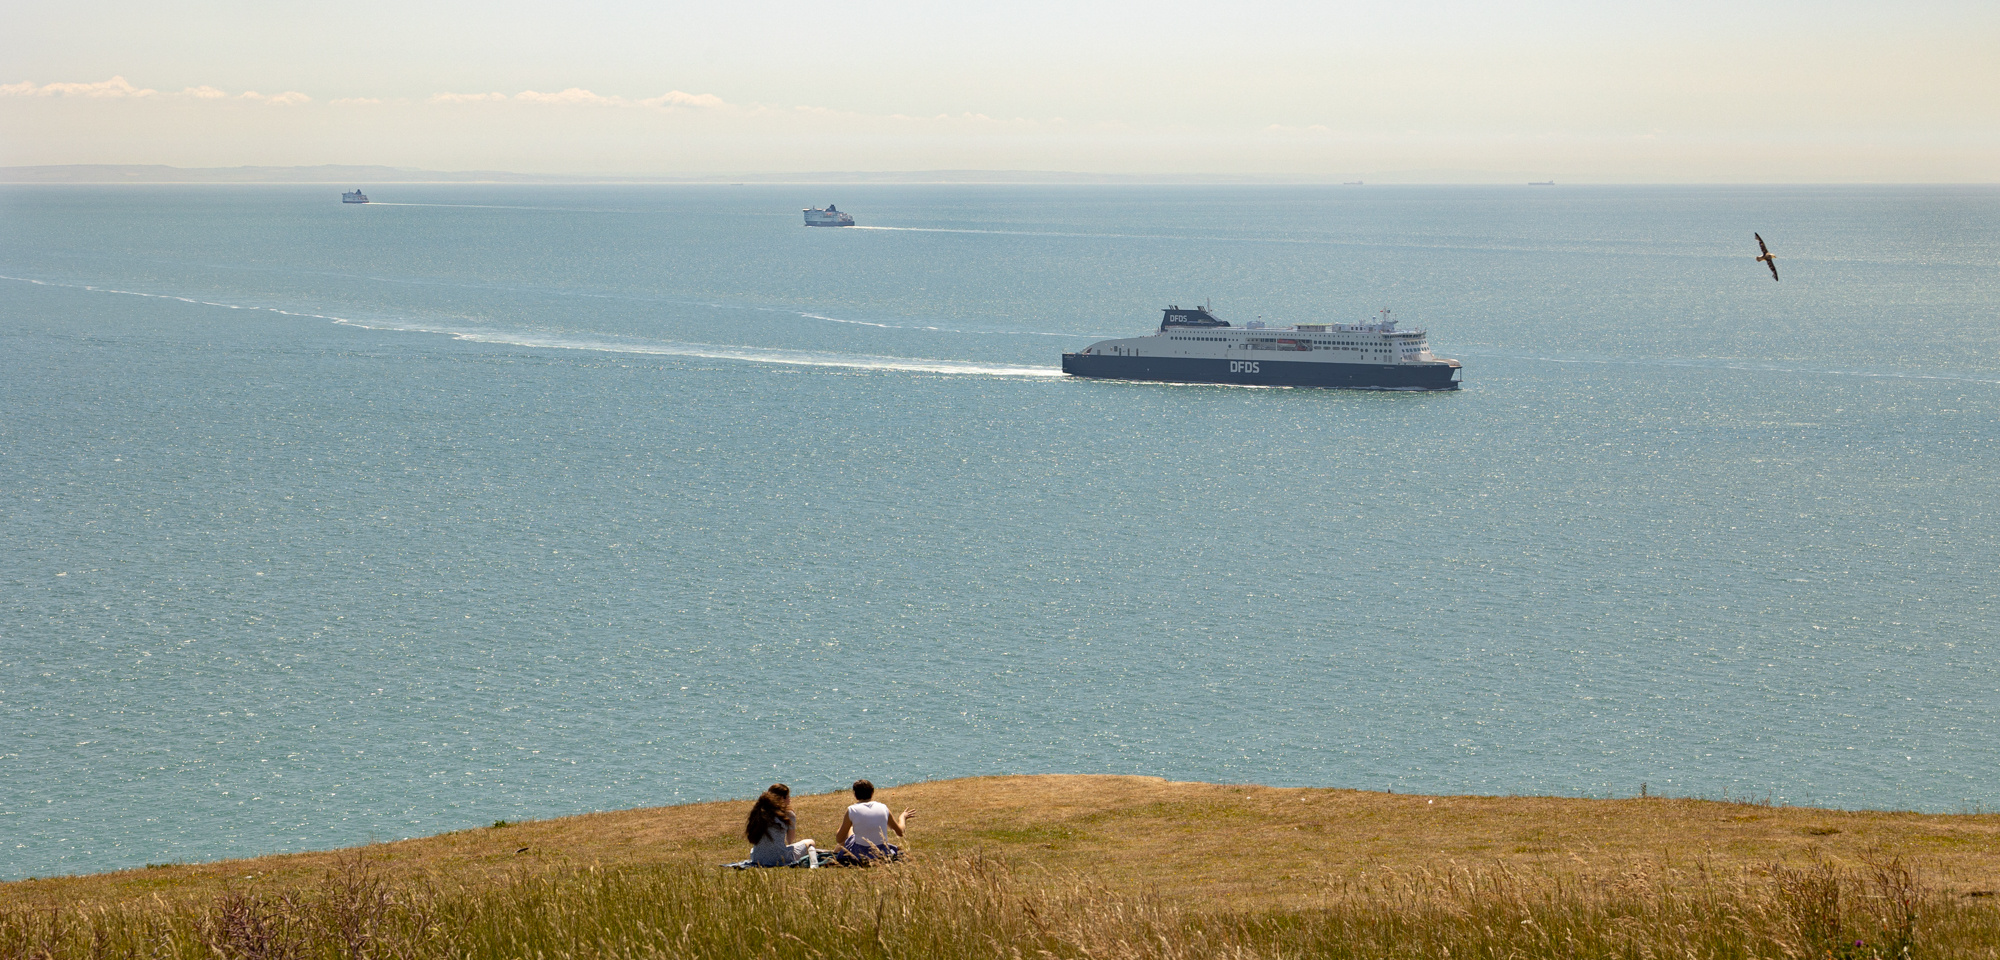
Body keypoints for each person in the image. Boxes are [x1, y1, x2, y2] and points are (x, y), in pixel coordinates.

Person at [834, 779, 914, 863]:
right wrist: (903, 817)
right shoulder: (883, 808)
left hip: (860, 854)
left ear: (855, 794)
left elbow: (839, 839)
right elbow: (900, 832)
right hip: (882, 852)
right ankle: (836, 851)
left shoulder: (852, 810)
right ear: (872, 792)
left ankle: (835, 852)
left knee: (850, 830)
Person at [744, 783, 815, 867]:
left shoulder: (759, 813)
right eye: (788, 797)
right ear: (782, 798)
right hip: (780, 858)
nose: (789, 799)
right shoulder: (788, 814)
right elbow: (790, 840)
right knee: (810, 842)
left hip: (757, 858)